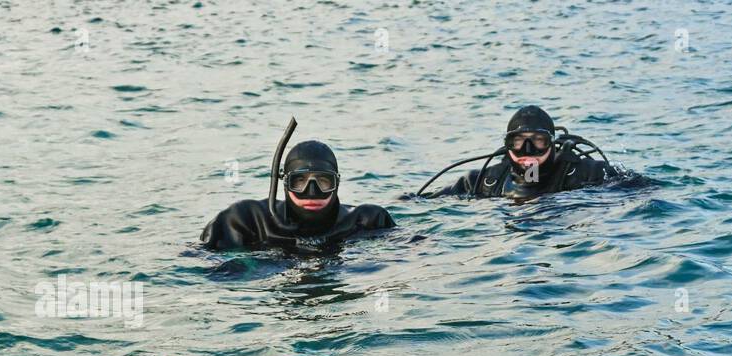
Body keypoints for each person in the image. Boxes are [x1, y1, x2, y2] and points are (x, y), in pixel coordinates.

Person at [201, 119, 394, 250]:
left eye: (323, 181)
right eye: (299, 181)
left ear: (337, 183)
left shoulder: (367, 221)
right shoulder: (246, 220)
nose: (312, 192)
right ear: (285, 182)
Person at [420, 105, 615, 199]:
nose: (528, 151)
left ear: (552, 143)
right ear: (507, 145)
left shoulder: (591, 174)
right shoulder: (482, 182)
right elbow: (419, 203)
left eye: (539, 141)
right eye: (519, 142)